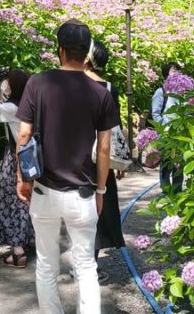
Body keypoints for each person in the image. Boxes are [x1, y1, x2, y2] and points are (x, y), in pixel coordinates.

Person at [16, 20, 120, 314]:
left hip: (44, 191)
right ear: (86, 52)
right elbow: (103, 149)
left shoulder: (38, 83)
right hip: (83, 195)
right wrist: (101, 190)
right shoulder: (100, 92)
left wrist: (22, 178)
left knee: (47, 264)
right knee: (86, 265)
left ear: (59, 50)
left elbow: (23, 135)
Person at [0, 69, 35, 268]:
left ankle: (18, 252)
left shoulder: (13, 108)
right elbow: (1, 103)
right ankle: (29, 241)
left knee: (14, 201)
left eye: (8, 82)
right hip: (36, 157)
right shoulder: (30, 105)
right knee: (30, 200)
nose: (5, 85)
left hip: (17, 159)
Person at [84, 40, 126, 283]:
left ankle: (83, 263)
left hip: (74, 156)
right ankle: (91, 263)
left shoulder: (72, 85)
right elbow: (115, 126)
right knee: (99, 209)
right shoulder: (109, 87)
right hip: (100, 155)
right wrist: (118, 160)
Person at [151, 62, 183, 193]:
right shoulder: (161, 91)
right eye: (172, 71)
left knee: (179, 168)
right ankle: (166, 194)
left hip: (181, 135)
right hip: (166, 136)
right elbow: (155, 114)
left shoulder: (183, 91)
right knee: (166, 167)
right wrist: (165, 129)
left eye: (178, 71)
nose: (176, 74)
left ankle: (177, 194)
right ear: (165, 75)